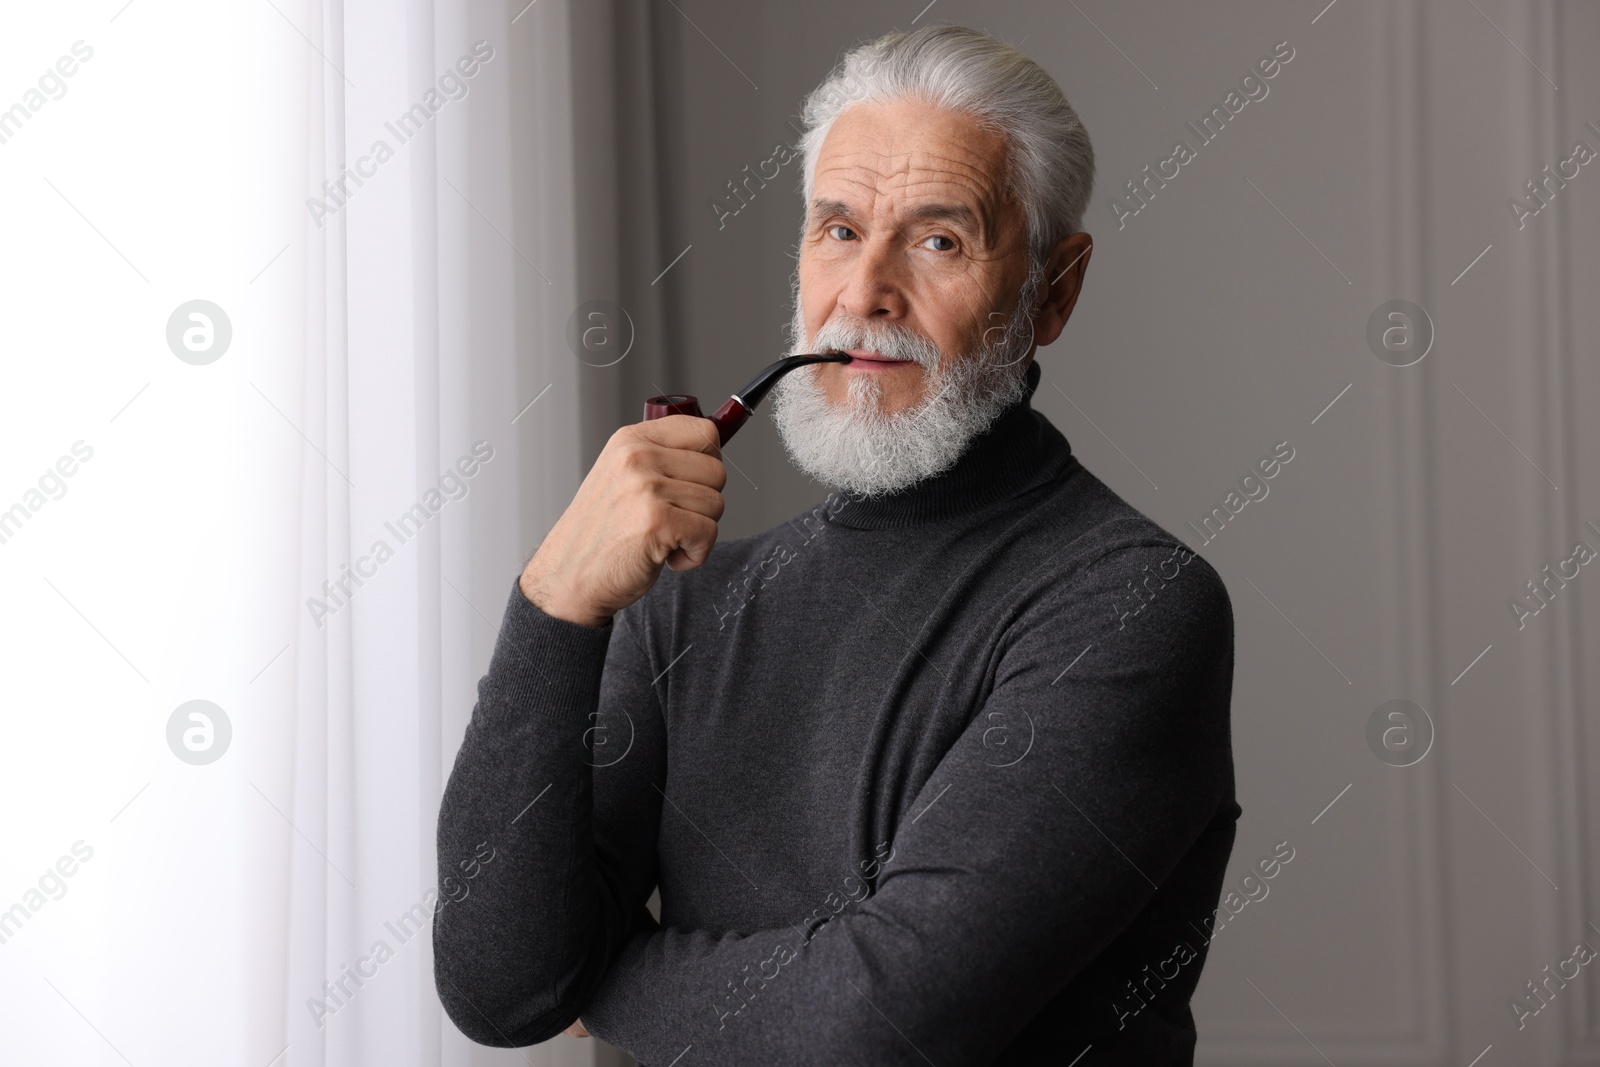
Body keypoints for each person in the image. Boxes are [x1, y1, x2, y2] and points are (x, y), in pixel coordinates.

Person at [434, 23, 1239, 1066]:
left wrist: (598, 980)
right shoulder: (688, 599)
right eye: (839, 230)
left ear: (1053, 289)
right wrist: (555, 602)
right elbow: (498, 988)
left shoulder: (1134, 603)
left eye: (938, 239)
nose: (864, 295)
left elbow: (877, 1024)